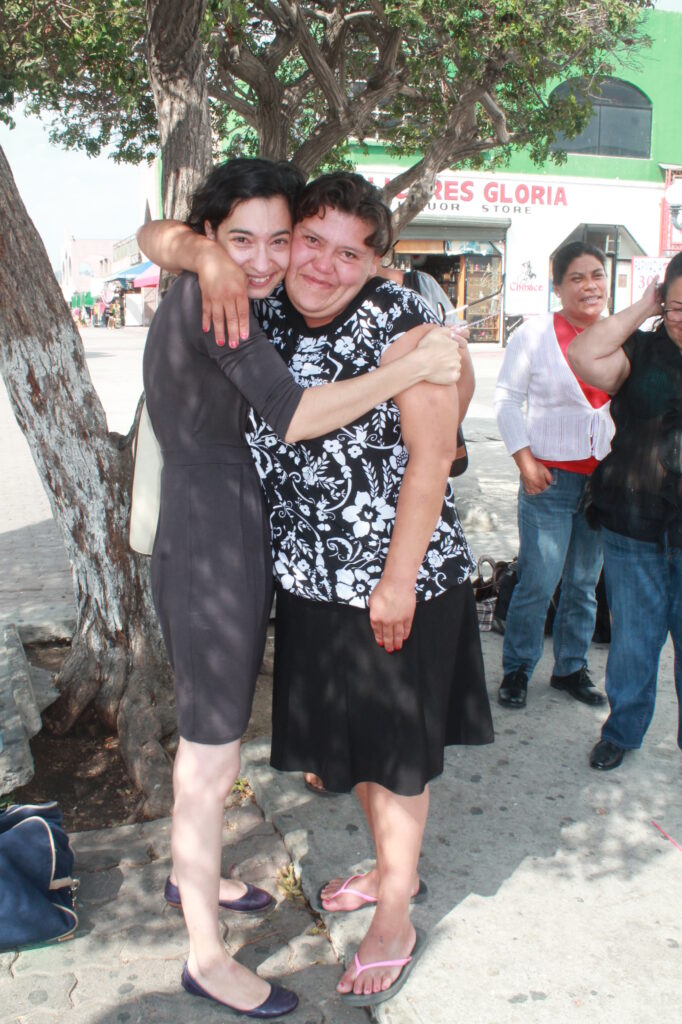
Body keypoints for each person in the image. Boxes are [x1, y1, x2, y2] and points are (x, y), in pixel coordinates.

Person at [144, 171, 493, 1007]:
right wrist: (200, 250)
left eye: (350, 253)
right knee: (274, 748)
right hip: (280, 570)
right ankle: (219, 934)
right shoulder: (250, 304)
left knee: (394, 755)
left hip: (385, 580)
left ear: (378, 264)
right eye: (308, 242)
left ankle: (393, 911)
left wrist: (399, 579)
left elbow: (431, 460)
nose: (310, 263)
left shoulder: (402, 324)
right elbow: (160, 238)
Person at [567, 256, 682, 771]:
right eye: (678, 306)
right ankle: (623, 731)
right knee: (635, 638)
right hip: (634, 523)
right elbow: (582, 351)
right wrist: (645, 307)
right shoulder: (640, 350)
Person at [492, 242, 613, 710]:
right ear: (558, 286)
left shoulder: (619, 333)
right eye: (577, 278)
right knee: (539, 579)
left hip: (602, 485)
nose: (589, 286)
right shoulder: (536, 333)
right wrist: (524, 460)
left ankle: (569, 668)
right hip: (549, 479)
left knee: (584, 583)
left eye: (597, 275)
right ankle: (518, 668)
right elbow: (505, 399)